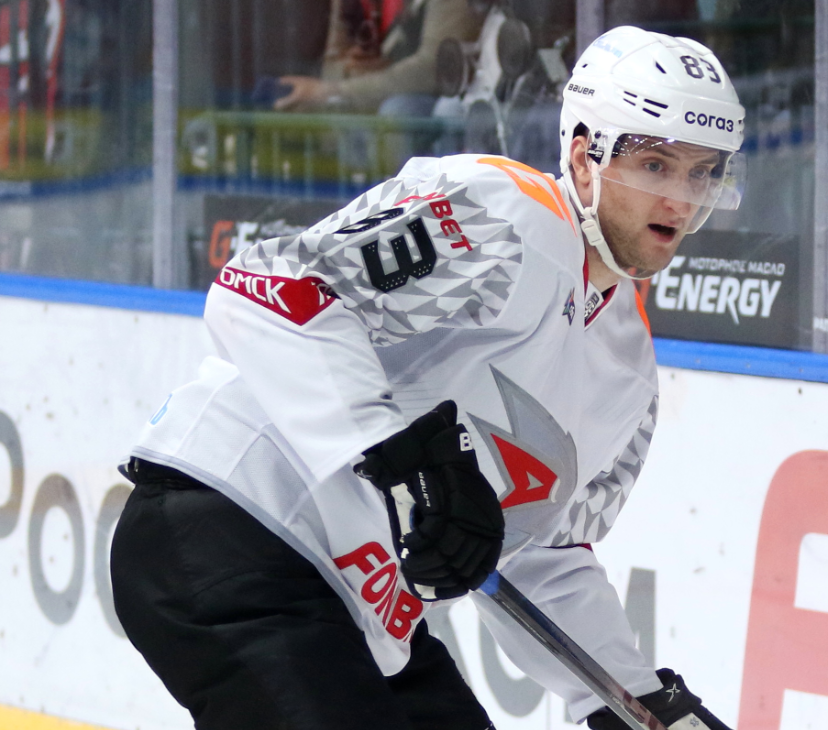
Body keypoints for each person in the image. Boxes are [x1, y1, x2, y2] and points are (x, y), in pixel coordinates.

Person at [110, 25, 745, 730]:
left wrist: (636, 702)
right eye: (655, 165)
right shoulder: (503, 217)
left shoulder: (629, 374)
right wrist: (407, 459)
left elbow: (541, 553)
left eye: (703, 173)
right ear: (583, 156)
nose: (680, 199)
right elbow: (267, 289)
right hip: (234, 524)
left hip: (363, 609)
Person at [275, 0, 482, 115]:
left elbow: (433, 69)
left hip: (459, 99)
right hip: (385, 90)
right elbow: (333, 64)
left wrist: (331, 92)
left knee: (400, 110)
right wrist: (350, 72)